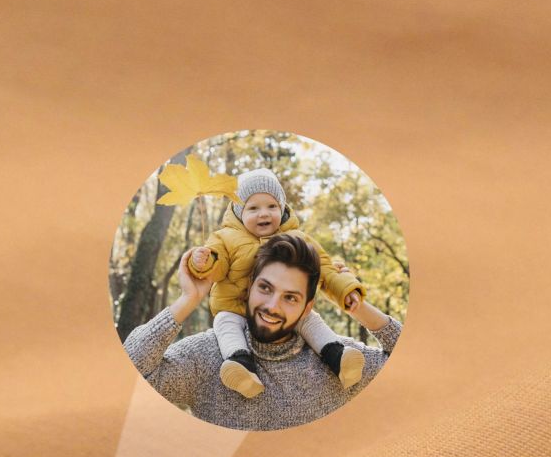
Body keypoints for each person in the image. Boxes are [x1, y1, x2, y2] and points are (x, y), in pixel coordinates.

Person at [123, 233, 400, 432]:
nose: (272, 306)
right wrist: (188, 300)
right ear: (250, 287)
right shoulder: (205, 357)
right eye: (265, 288)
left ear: (307, 307)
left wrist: (356, 304)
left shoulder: (341, 363)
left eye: (290, 297)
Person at [186, 167, 371, 397]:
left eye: (272, 206)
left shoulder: (297, 237)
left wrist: (346, 289)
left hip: (283, 309)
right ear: (238, 211)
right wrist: (203, 262)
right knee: (225, 323)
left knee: (308, 319)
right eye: (253, 208)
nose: (264, 214)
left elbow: (325, 268)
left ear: (282, 208)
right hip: (234, 307)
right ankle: (241, 366)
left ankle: (338, 357)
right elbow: (217, 265)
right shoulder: (225, 237)